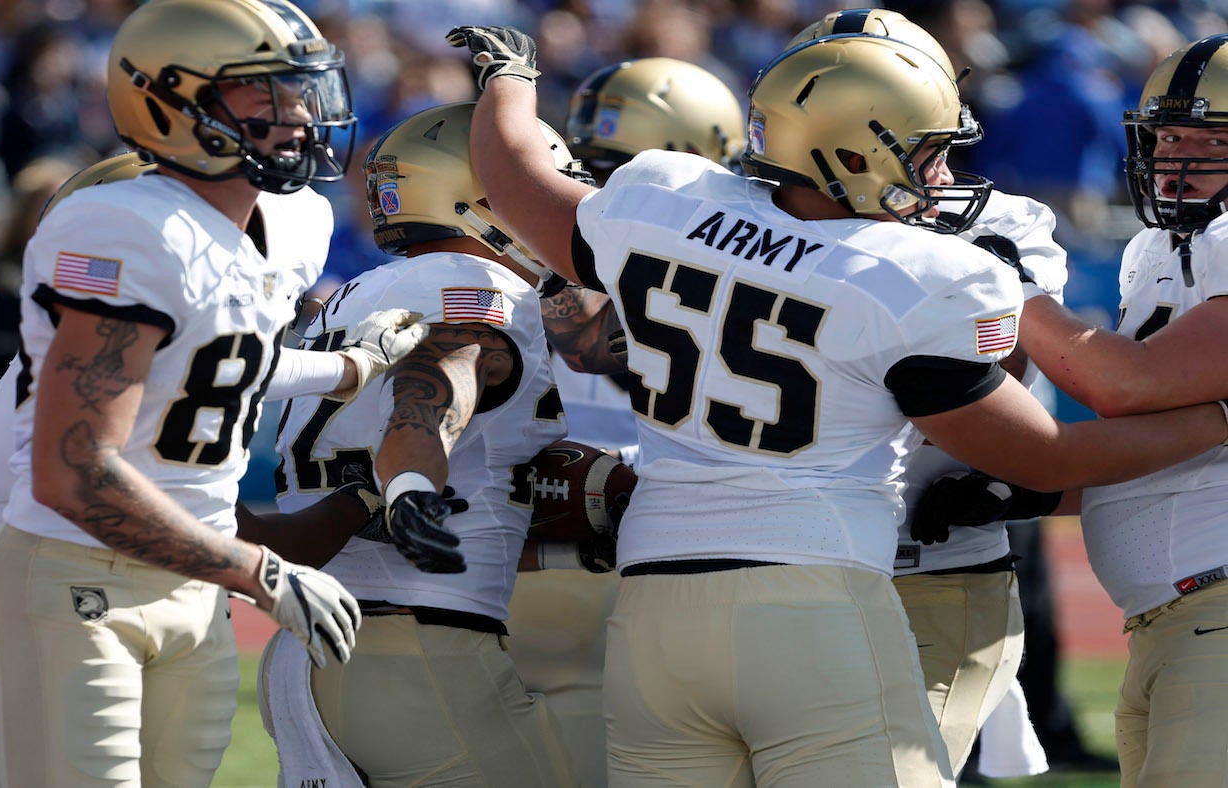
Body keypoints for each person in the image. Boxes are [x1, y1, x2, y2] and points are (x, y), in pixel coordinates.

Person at [454, 26, 1228, 786]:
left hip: (655, 603)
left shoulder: (668, 201)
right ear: (853, 153)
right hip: (813, 588)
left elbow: (513, 174)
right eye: (927, 151)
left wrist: (507, 83)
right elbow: (1042, 454)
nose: (943, 172)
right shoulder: (918, 270)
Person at [0, 2, 425, 783]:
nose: (298, 117)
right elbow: (74, 468)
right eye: (266, 95)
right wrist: (260, 571)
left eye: (299, 92)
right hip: (83, 573)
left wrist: (352, 369)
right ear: (169, 100)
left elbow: (210, 373)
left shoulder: (269, 229)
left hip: (197, 579)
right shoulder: (124, 224)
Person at [0, 148, 419, 788]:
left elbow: (231, 364)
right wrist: (360, 499)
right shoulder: (101, 368)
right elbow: (164, 480)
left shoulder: (156, 352)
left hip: (76, 643)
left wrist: (350, 368)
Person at [260, 100, 584, 787]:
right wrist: (411, 482)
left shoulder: (353, 293)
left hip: (308, 650)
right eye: (534, 185)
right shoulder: (478, 283)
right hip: (418, 644)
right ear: (481, 201)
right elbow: (437, 374)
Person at [786, 8, 1064, 778]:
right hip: (785, 563)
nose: (939, 172)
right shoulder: (736, 220)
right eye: (920, 144)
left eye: (940, 143)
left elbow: (999, 386)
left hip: (932, 565)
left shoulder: (1000, 227)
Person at [951, 33, 1228, 786]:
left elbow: (1125, 385)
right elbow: (1156, 440)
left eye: (1209, 141)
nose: (1179, 157)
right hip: (1171, 620)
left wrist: (1009, 284)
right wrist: (1040, 490)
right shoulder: (1161, 249)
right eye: (1168, 136)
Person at [507, 54, 745, 788]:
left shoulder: (540, 232)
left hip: (569, 545)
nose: (592, 186)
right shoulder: (740, 253)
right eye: (590, 164)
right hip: (665, 548)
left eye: (614, 165)